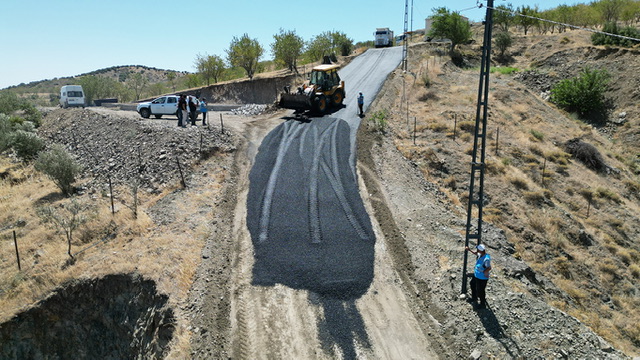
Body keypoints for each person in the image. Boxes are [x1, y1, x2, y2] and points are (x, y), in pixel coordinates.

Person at [465, 243, 492, 309]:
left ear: (480, 250)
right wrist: (469, 250)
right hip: (476, 275)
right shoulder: (480, 254)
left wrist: (485, 272)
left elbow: (489, 267)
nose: (477, 250)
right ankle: (474, 298)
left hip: (482, 278)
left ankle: (482, 304)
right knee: (472, 284)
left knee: (481, 290)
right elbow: (476, 253)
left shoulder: (486, 259)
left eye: (478, 249)